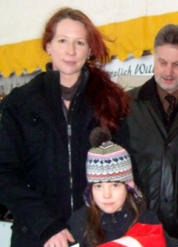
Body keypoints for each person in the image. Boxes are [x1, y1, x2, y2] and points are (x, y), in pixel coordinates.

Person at [0, 8, 129, 247]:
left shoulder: (109, 101)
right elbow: (5, 174)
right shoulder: (18, 104)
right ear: (48, 45)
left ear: (89, 49)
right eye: (62, 41)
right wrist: (46, 226)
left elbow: (126, 170)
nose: (70, 51)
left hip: (97, 234)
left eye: (79, 43)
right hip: (37, 235)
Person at [114, 24, 178, 241]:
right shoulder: (124, 107)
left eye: (177, 64)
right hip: (136, 232)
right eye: (162, 62)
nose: (168, 72)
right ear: (154, 58)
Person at [68, 127, 175, 247]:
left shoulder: (146, 220)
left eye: (115, 185)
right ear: (90, 190)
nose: (106, 195)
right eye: (98, 186)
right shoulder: (79, 222)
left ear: (128, 186)